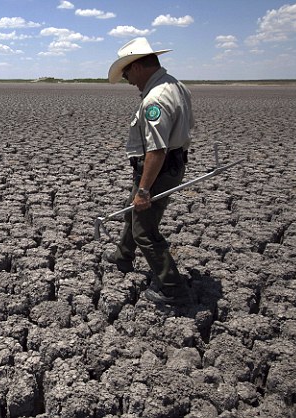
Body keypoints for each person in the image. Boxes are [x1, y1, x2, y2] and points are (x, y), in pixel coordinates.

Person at [104, 37, 195, 305]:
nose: (128, 80)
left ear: (139, 66)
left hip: (158, 169)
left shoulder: (155, 99)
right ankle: (123, 255)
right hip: (168, 165)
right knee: (133, 210)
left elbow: (157, 149)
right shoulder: (176, 85)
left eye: (127, 73)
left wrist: (144, 189)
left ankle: (172, 288)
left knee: (144, 229)